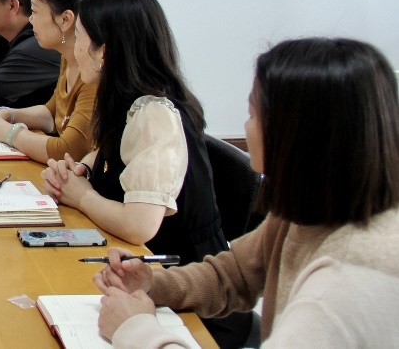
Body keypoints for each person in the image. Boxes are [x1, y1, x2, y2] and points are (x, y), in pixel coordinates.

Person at [94, 38, 399, 348]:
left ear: (296, 134)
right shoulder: (308, 210)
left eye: (253, 114)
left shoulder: (345, 283)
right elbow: (233, 275)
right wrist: (153, 284)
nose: (246, 125)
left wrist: (134, 328)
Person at [41, 0, 249, 346]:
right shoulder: (126, 97)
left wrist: (82, 195)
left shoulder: (154, 113)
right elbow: (110, 151)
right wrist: (84, 169)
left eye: (80, 38)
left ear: (104, 52)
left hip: (193, 304)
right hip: (147, 280)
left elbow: (139, 226)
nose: (74, 47)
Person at [0, 0, 121, 163]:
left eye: (35, 12)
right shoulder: (67, 57)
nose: (30, 20)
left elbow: (69, 150)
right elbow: (50, 113)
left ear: (65, 20)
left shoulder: (93, 72)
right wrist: (8, 115)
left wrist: (8, 133)